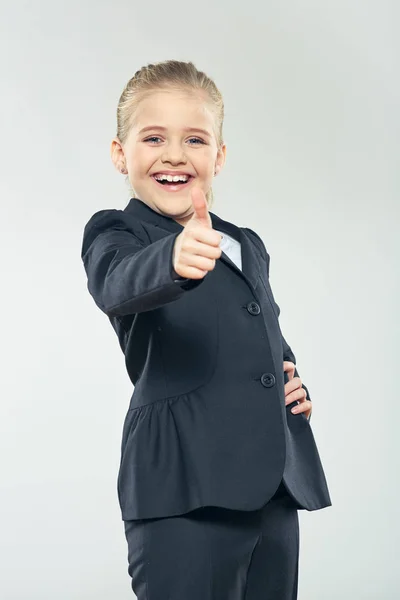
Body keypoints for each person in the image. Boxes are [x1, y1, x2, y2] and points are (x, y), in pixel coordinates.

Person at [81, 59, 332, 600]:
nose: (174, 154)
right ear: (120, 154)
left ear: (218, 156)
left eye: (194, 139)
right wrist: (172, 257)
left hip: (273, 488)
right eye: (153, 138)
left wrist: (292, 383)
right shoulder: (117, 231)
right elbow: (116, 285)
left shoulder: (247, 242)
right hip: (183, 487)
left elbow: (263, 331)